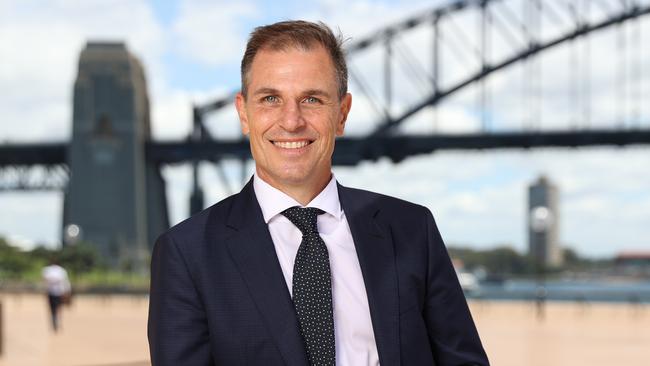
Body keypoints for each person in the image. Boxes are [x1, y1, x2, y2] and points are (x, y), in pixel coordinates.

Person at [148, 20, 489, 366]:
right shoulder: (187, 254)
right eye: (270, 99)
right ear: (243, 113)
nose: (291, 121)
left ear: (341, 114)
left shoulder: (412, 230)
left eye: (312, 99)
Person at [42, 259, 71, 332]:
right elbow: (66, 283)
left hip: (55, 292)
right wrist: (67, 291)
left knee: (54, 309)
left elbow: (45, 282)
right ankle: (56, 321)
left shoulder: (48, 271)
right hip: (56, 292)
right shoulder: (60, 271)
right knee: (57, 308)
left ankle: (55, 321)